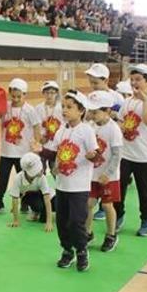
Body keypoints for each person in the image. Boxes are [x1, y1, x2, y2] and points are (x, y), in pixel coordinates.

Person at [49, 91, 99, 271]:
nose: (65, 110)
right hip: (62, 185)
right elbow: (56, 152)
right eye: (63, 106)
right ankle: (67, 250)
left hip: (79, 186)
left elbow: (96, 155)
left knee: (76, 221)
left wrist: (92, 156)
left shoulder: (86, 130)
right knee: (62, 222)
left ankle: (82, 250)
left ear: (81, 111)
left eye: (69, 107)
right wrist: (53, 164)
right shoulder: (61, 130)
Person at [115, 64, 147, 237]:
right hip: (125, 154)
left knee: (145, 191)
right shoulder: (127, 102)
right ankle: (118, 215)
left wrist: (145, 100)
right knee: (119, 188)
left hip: (145, 156)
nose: (134, 83)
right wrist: (120, 128)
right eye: (132, 79)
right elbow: (120, 120)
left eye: (138, 79)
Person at [0, 78, 41, 214]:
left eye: (19, 96)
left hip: (23, 153)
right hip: (6, 152)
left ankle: (25, 202)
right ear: (10, 93)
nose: (16, 99)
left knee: (24, 179)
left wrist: (37, 145)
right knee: (1, 179)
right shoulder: (5, 107)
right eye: (13, 96)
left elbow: (36, 127)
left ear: (25, 95)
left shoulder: (30, 110)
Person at [86, 90, 123, 253]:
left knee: (107, 205)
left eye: (96, 112)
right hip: (92, 175)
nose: (92, 115)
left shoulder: (113, 129)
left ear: (107, 111)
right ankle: (88, 233)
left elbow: (117, 155)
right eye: (91, 111)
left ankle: (111, 235)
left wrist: (107, 174)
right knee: (89, 204)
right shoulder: (90, 127)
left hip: (109, 177)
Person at [6, 152, 55, 229]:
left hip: (47, 196)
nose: (42, 170)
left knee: (58, 205)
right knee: (42, 218)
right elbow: (15, 199)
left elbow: (47, 198)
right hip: (31, 197)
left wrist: (49, 222)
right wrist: (15, 220)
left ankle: (42, 212)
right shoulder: (18, 178)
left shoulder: (42, 177)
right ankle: (35, 211)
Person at [36, 80, 63, 174]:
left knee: (55, 171)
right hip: (42, 145)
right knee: (40, 171)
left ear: (56, 93)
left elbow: (64, 126)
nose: (49, 95)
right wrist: (40, 137)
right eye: (47, 92)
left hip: (56, 146)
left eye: (52, 92)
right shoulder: (38, 108)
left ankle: (58, 188)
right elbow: (36, 127)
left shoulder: (61, 108)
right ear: (43, 93)